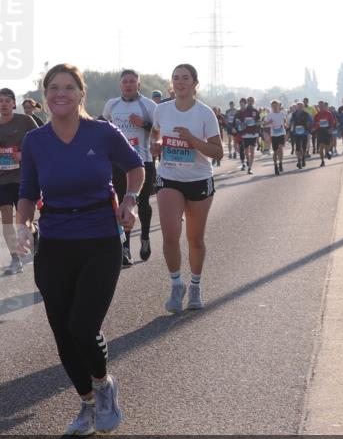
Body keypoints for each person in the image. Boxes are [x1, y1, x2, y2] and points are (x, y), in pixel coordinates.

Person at [16, 63, 142, 435]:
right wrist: (21, 225)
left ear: (81, 94)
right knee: (62, 332)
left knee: (83, 327)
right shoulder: (35, 141)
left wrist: (131, 200)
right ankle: (86, 402)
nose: (60, 94)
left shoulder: (101, 133)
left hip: (100, 238)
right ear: (45, 94)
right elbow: (27, 192)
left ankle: (104, 386)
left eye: (69, 87)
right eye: (53, 87)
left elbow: (135, 168)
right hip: (54, 242)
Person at [150, 63, 222, 313]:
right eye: (175, 78)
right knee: (170, 234)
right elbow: (155, 135)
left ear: (194, 83)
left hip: (199, 179)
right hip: (169, 176)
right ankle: (176, 284)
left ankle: (195, 286)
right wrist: (156, 146)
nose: (179, 82)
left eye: (185, 78)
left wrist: (192, 140)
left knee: (195, 238)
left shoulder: (204, 114)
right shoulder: (162, 109)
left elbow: (217, 151)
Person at [100, 69, 157, 265]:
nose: (128, 85)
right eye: (125, 82)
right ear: (120, 85)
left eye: (132, 81)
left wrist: (143, 124)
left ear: (138, 85)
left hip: (143, 162)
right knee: (121, 203)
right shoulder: (112, 105)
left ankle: (145, 237)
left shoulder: (148, 105)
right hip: (117, 164)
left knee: (142, 203)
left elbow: (160, 131)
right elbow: (102, 127)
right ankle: (125, 248)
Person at [0, 87, 38, 274]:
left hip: (25, 177)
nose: (4, 104)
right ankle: (15, 259)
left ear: (14, 104)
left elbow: (41, 140)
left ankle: (35, 234)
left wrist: (25, 154)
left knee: (23, 222)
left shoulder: (25, 121)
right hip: (4, 178)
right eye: (0, 101)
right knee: (6, 221)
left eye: (7, 100)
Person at [235, 97, 261, 174]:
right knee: (246, 152)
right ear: (247, 102)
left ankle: (250, 168)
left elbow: (258, 121)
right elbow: (238, 120)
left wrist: (258, 123)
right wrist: (240, 124)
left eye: (251, 101)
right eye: (249, 101)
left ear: (253, 102)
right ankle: (247, 160)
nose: (250, 102)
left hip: (253, 133)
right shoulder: (243, 111)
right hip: (245, 134)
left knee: (252, 151)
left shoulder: (255, 111)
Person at [265, 100, 289, 175]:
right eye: (273, 106)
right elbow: (264, 124)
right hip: (274, 135)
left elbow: (285, 121)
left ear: (279, 106)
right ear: (271, 107)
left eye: (276, 106)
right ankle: (275, 166)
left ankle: (280, 163)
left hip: (281, 133)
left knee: (280, 148)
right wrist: (269, 122)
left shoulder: (282, 114)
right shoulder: (270, 115)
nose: (275, 107)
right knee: (275, 151)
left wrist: (285, 124)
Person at [312, 101, 336, 167]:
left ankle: (328, 152)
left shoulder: (328, 113)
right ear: (318, 107)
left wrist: (331, 128)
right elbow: (314, 123)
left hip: (327, 131)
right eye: (320, 106)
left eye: (322, 106)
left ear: (324, 106)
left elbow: (332, 121)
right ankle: (322, 161)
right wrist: (314, 127)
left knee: (327, 146)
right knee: (321, 147)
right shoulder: (317, 115)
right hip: (320, 131)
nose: (321, 107)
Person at [289, 102, 312, 168]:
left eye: (301, 106)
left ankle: (303, 159)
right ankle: (299, 161)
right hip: (296, 133)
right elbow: (291, 122)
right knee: (298, 148)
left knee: (304, 148)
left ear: (303, 107)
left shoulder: (306, 114)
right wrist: (290, 128)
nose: (299, 107)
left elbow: (311, 121)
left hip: (304, 133)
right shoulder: (294, 114)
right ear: (296, 107)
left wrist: (308, 124)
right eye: (298, 106)